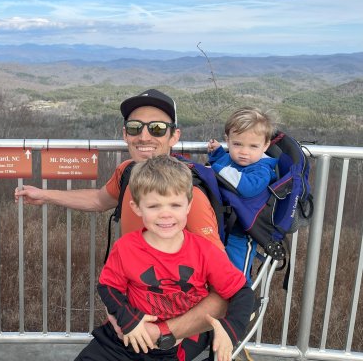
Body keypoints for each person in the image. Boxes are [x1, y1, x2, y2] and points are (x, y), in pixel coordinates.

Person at [15, 89, 226, 342]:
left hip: (175, 333)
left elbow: (223, 294)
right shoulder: (128, 173)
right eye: (135, 127)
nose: (144, 136)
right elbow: (98, 199)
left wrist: (162, 333)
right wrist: (47, 195)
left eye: (157, 128)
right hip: (133, 315)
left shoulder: (188, 197)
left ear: (174, 136)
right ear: (125, 134)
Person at [75, 155, 254, 361]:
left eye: (175, 205)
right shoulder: (126, 248)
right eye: (154, 206)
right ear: (136, 208)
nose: (165, 214)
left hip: (167, 348)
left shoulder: (205, 252)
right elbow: (108, 287)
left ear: (188, 206)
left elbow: (241, 292)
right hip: (122, 339)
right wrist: (129, 319)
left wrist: (230, 331)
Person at [207, 106, 277, 282]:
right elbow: (227, 163)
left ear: (266, 145)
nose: (244, 152)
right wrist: (217, 154)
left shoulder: (262, 169)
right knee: (218, 268)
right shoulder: (235, 159)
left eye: (253, 146)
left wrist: (213, 170)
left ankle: (242, 303)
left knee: (238, 273)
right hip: (222, 227)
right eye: (237, 144)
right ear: (228, 140)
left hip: (243, 232)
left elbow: (246, 187)